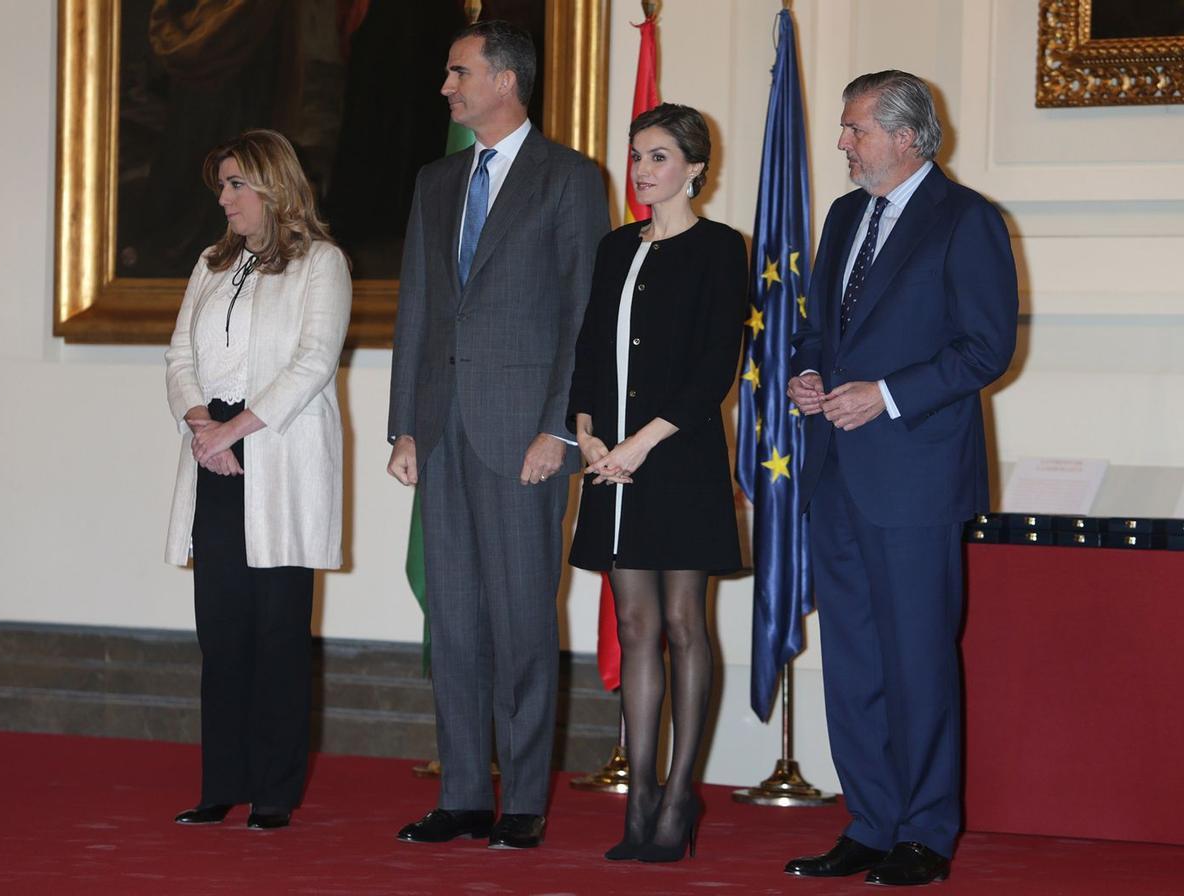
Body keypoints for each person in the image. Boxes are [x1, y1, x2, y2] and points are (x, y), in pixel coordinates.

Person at [784, 71, 1018, 885]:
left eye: (854, 130)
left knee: (916, 658)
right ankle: (870, 821)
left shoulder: (967, 219)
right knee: (852, 661)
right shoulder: (846, 215)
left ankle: (926, 830)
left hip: (915, 479)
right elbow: (819, 331)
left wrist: (883, 396)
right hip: (837, 475)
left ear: (907, 135)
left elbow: (986, 349)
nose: (842, 143)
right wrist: (806, 377)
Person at [386, 21, 609, 850]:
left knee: (521, 620)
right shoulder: (436, 180)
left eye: (459, 72)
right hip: (442, 432)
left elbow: (586, 315)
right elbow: (417, 309)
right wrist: (406, 424)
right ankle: (461, 796)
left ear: (506, 80)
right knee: (454, 621)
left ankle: (520, 803)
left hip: (526, 439)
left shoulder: (570, 178)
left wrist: (561, 427)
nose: (446, 88)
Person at [567, 103, 748, 863]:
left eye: (660, 157)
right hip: (611, 461)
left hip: (677, 458)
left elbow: (715, 368)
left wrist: (639, 444)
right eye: (637, 155)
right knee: (635, 625)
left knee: (682, 623)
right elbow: (587, 351)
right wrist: (585, 432)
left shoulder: (720, 248)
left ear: (695, 167)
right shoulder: (615, 247)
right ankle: (637, 795)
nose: (642, 170)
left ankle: (679, 796)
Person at [165, 129, 351, 831]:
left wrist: (231, 429)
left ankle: (274, 790)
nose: (225, 198)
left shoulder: (321, 264)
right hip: (211, 453)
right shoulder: (210, 265)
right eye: (221, 186)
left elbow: (312, 363)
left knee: (278, 630)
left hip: (276, 454)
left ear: (274, 184)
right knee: (221, 629)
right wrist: (198, 425)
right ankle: (222, 782)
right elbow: (179, 353)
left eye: (236, 183)